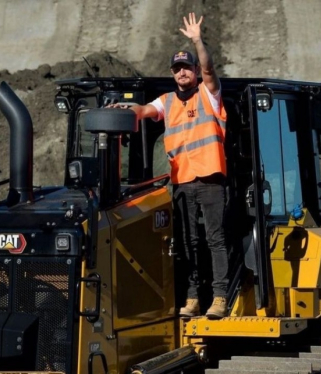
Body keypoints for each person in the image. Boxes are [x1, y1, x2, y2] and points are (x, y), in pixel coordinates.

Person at [109, 13, 228, 319]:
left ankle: (220, 297)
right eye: (177, 69)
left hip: (211, 179)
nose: (182, 73)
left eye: (186, 67)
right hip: (183, 182)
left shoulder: (209, 94)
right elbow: (144, 109)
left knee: (215, 238)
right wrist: (127, 109)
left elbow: (209, 68)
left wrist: (197, 40)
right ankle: (192, 298)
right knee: (187, 241)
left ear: (193, 71)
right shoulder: (167, 101)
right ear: (173, 74)